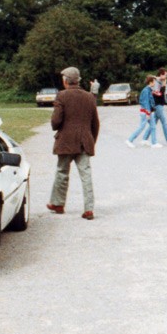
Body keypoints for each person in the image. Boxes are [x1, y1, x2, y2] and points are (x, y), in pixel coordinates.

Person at [46, 67, 100, 220]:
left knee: (62, 173)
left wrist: (55, 124)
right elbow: (95, 123)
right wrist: (91, 142)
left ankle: (58, 204)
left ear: (65, 81)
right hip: (84, 142)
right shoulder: (90, 97)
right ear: (78, 80)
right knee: (86, 175)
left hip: (65, 142)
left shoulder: (61, 96)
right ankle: (89, 209)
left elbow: (56, 122)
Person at [126, 75, 158, 148]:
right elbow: (146, 102)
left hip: (147, 111)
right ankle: (130, 140)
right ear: (151, 82)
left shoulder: (149, 89)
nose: (155, 83)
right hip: (145, 112)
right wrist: (148, 112)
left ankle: (154, 143)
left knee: (153, 126)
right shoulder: (146, 90)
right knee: (141, 127)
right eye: (154, 82)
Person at [149, 68, 167, 146]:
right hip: (157, 104)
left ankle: (144, 139)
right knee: (164, 122)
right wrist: (164, 85)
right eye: (165, 75)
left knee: (153, 122)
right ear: (161, 74)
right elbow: (159, 94)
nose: (166, 77)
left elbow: (163, 95)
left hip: (160, 103)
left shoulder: (160, 81)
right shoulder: (156, 82)